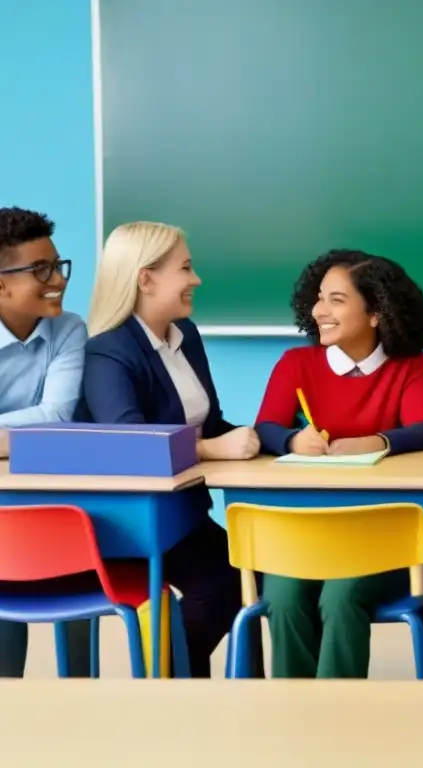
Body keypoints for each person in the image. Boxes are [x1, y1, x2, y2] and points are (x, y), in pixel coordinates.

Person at [75, 221, 262, 677]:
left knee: (252, 572)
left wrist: (280, 440)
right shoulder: (108, 353)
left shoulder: (185, 336)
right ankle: (168, 679)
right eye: (186, 268)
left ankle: (179, 681)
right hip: (130, 521)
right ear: (146, 278)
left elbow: (211, 422)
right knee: (223, 584)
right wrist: (215, 450)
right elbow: (133, 444)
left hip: (179, 513)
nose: (195, 279)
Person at [254, 249, 423, 678]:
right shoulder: (296, 363)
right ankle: (296, 713)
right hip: (305, 532)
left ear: (376, 312)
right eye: (319, 298)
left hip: (379, 537)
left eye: (336, 300)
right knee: (282, 596)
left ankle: (338, 717)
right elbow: (265, 428)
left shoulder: (409, 366)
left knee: (339, 596)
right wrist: (291, 439)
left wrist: (373, 441)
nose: (320, 310)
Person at [0, 206, 92, 677]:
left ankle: (81, 713)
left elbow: (58, 416)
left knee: (79, 584)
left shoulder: (69, 328)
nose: (57, 278)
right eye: (41, 270)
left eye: (57, 265)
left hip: (53, 502)